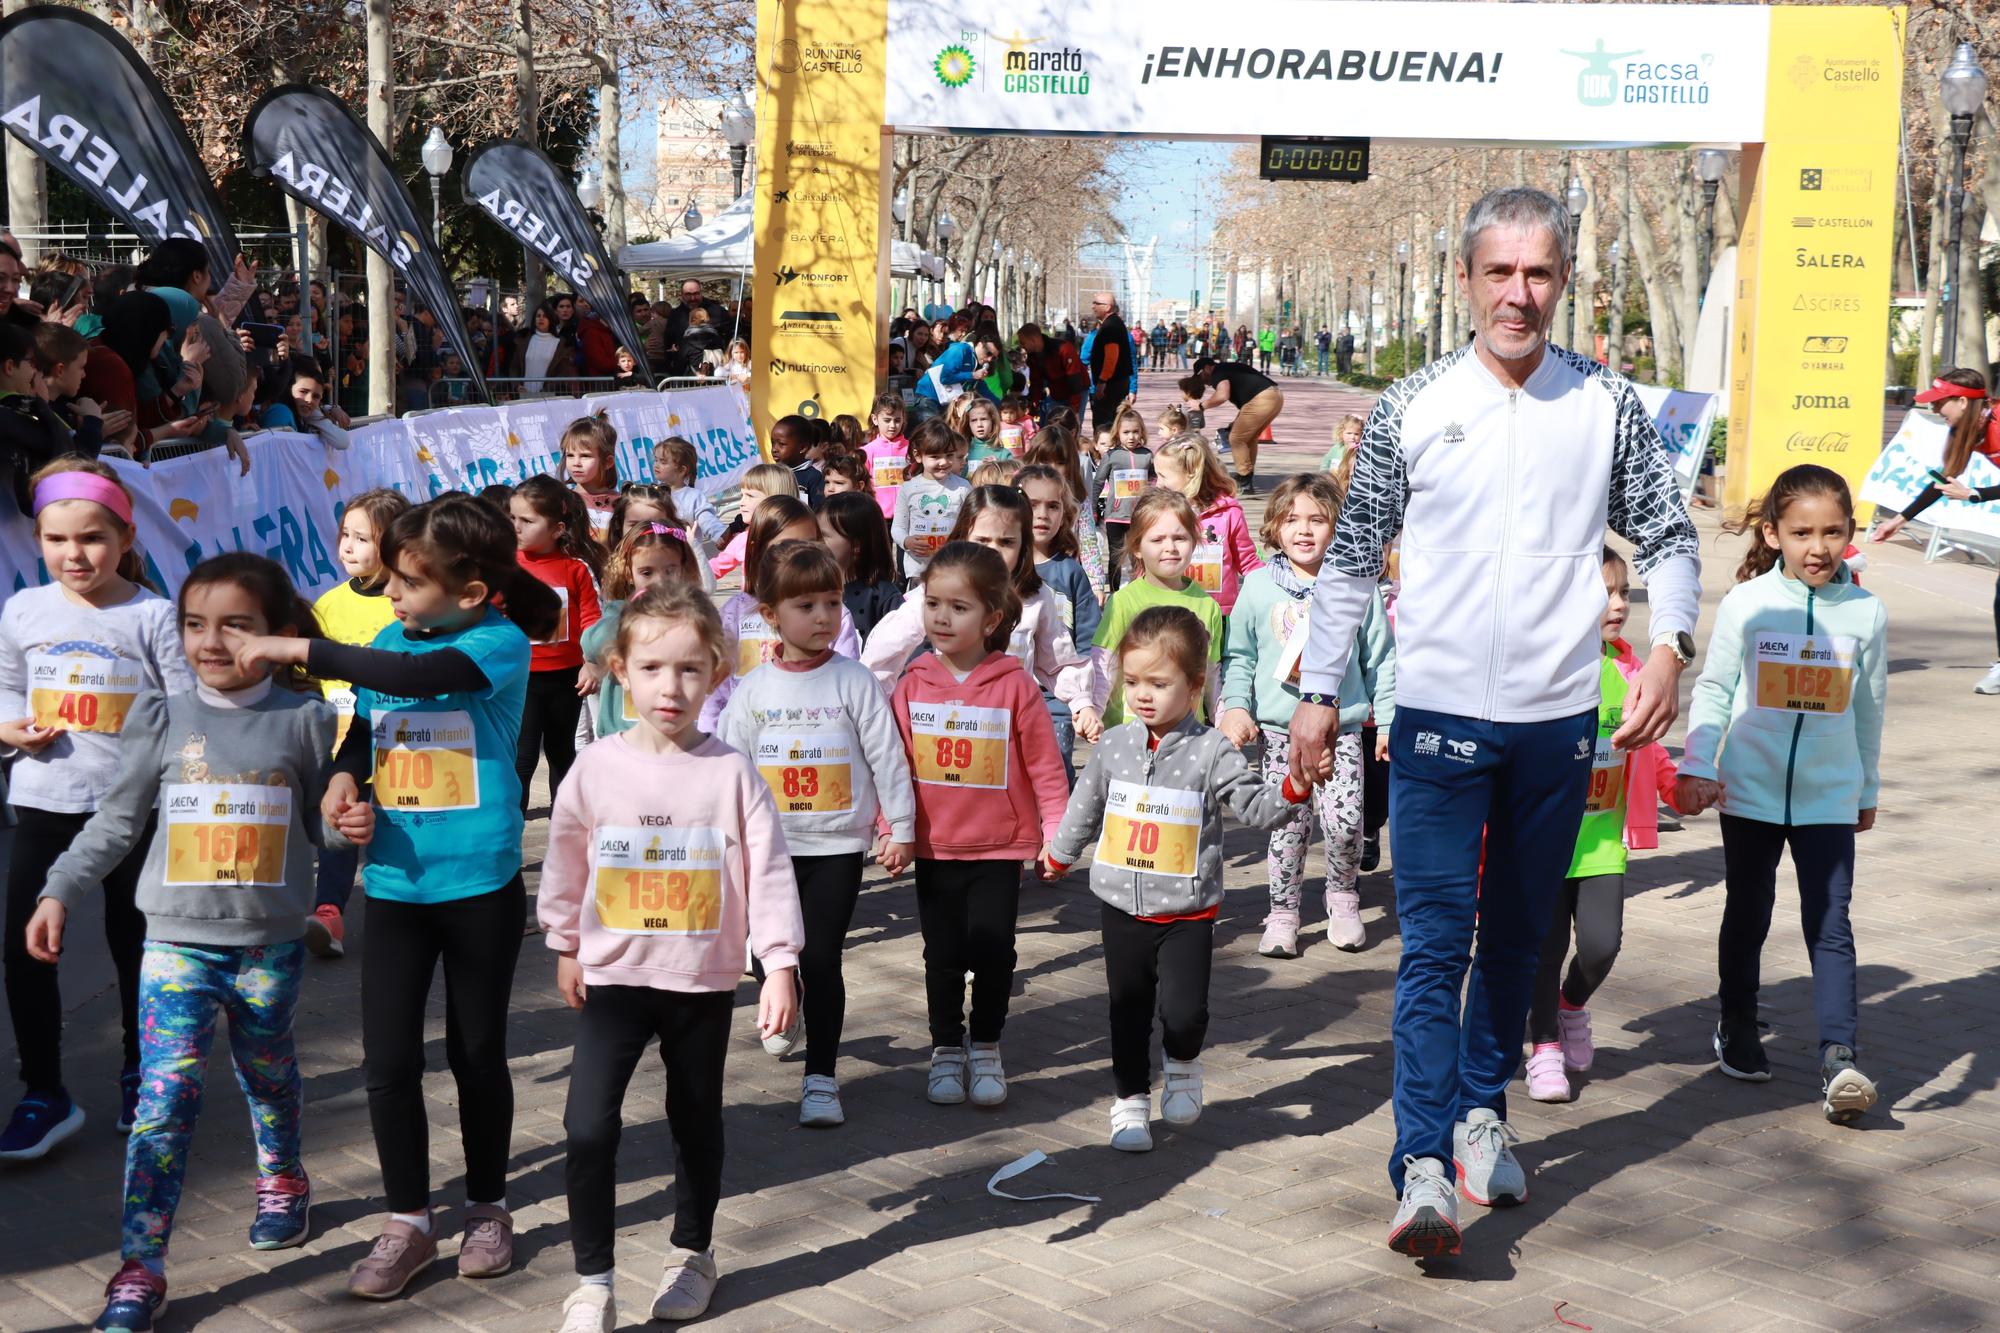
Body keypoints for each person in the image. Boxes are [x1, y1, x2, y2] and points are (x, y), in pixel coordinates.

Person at [1283, 186, 1701, 1259]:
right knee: (1434, 945)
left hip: (1555, 723)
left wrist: (1669, 644)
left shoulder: (1604, 404)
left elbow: (1670, 540)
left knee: (1516, 945)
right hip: (1432, 721)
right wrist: (1318, 693)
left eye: (1538, 273)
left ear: (1563, 281)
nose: (1517, 294)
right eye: (1498, 273)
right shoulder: (1412, 404)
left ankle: (1479, 1117)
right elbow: (1344, 561)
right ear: (1463, 279)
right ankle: (1419, 1162)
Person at [228, 494, 560, 1298]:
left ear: (471, 590)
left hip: (477, 884)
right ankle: (409, 1219)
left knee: (477, 1054)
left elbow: (411, 676)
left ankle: (488, 1205)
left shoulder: (498, 642)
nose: (393, 597)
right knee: (387, 1062)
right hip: (396, 885)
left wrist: (293, 644)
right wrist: (345, 782)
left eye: (409, 583)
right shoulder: (385, 634)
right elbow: (367, 728)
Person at [27, 554, 349, 1332]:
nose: (211, 641)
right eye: (195, 624)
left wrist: (348, 822)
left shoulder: (306, 721)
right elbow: (116, 821)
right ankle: (141, 1266)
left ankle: (282, 1177)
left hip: (269, 944)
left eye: (235, 624)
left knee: (267, 1073)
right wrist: (59, 887)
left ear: (277, 634)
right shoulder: (162, 712)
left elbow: (322, 829)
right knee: (163, 1103)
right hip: (173, 942)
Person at [539, 583, 802, 1329]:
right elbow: (564, 859)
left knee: (694, 1117)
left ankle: (693, 1253)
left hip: (700, 980)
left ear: (718, 671)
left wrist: (778, 960)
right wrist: (564, 941)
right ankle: (593, 1281)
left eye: (690, 669)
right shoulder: (593, 769)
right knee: (587, 1124)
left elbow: (768, 868)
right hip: (614, 976)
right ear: (620, 668)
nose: (671, 686)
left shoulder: (730, 772)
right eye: (652, 667)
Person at [1046, 606, 1311, 1151]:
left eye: (1159, 683)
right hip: (1121, 904)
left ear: (1193, 688)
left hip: (1187, 911)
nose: (1143, 694)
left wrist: (1293, 789)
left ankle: (1184, 1064)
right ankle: (1130, 1102)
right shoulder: (1115, 744)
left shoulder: (1212, 749)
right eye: (1134, 681)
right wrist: (1058, 854)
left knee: (1183, 1012)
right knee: (1127, 1008)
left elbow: (1255, 808)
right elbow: (1085, 805)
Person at [1678, 465, 1886, 1124]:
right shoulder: (1747, 603)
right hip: (1750, 791)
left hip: (1829, 796)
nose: (1817, 546)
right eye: (1801, 532)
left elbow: (1869, 709)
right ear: (1773, 532)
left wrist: (1867, 784)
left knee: (1830, 922)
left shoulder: (1866, 611)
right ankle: (1737, 1024)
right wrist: (1696, 760)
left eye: (1831, 531)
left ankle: (1839, 1054)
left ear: (1850, 533)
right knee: (1750, 910)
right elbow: (1712, 687)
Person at [0, 461, 195, 1161]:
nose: (73, 554)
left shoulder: (151, 615)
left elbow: (185, 708)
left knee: (138, 946)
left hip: (133, 811)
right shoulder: (23, 610)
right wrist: (8, 725)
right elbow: (6, 686)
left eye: (91, 538)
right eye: (56, 539)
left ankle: (143, 1070)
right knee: (25, 948)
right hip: (45, 801)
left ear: (125, 535)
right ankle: (44, 1091)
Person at [719, 542, 915, 1128]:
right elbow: (729, 767)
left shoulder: (853, 682)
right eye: (806, 605)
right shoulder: (753, 690)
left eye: (832, 602)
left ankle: (822, 1078)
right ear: (772, 615)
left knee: (823, 956)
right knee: (768, 948)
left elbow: (887, 756)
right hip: (767, 849)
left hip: (835, 846)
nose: (824, 616)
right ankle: (784, 999)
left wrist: (898, 826)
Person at [891, 542, 1070, 1108]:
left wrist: (1057, 834)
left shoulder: (1014, 683)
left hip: (998, 848)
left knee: (995, 951)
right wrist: (890, 827)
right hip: (935, 847)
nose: (942, 618)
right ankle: (946, 1048)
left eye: (959, 607)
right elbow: (891, 763)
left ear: (992, 618)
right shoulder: (912, 681)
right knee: (941, 954)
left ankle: (986, 1044)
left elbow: (1045, 763)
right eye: (933, 604)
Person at [1524, 547, 1686, 1104]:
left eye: (1624, 593)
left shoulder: (1630, 671)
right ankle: (1542, 1046)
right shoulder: (1541, 667)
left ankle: (1571, 1007)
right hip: (1542, 843)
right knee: (1542, 951)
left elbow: (1651, 749)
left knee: (1601, 946)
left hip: (1601, 844)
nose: (1619, 605)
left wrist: (1676, 788)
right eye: (1606, 594)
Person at [1220, 473, 1394, 960]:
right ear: (1274, 527)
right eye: (1291, 519)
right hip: (1278, 735)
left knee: (1344, 823)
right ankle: (1283, 911)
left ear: (1337, 528)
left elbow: (1380, 658)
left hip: (1343, 733)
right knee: (1287, 824)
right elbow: (1239, 657)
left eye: (1318, 520)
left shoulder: (1358, 588)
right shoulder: (1256, 587)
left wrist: (1388, 719)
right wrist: (1235, 706)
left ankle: (1342, 896)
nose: (1304, 530)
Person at [308, 488, 412, 959]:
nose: (347, 546)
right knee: (338, 831)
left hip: (402, 748)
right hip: (342, 746)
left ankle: (410, 907)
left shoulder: (405, 602)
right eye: (344, 535)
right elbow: (307, 671)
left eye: (362, 538)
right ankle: (328, 913)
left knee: (393, 833)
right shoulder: (327, 604)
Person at [1869, 369, 2000, 695]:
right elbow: (1944, 480)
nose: (1937, 411)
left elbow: (1968, 490)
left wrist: (1976, 494)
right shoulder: (1968, 429)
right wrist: (1899, 520)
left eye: (1941, 403)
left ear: (1962, 401)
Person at [700, 496, 861, 730]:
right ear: (757, 550)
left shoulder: (833, 613)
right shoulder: (734, 613)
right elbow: (716, 692)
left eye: (808, 545)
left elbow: (850, 685)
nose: (798, 558)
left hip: (815, 742)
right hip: (745, 743)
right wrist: (710, 744)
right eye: (785, 546)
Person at [510, 476, 605, 811]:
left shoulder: (575, 569)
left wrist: (592, 662)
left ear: (557, 529)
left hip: (567, 679)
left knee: (562, 752)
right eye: (513, 519)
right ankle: (511, 843)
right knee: (521, 758)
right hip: (521, 679)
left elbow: (593, 619)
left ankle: (566, 831)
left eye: (527, 521)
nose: (517, 527)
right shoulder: (506, 567)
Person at [1092, 490, 1224, 728]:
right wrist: (1093, 710)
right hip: (1132, 732)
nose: (1170, 547)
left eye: (1180, 538)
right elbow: (1104, 665)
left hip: (1188, 734)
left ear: (1194, 542)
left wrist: (1223, 721)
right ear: (1137, 547)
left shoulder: (1208, 606)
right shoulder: (1123, 601)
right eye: (1157, 539)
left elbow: (1212, 674)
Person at [582, 522, 704, 738]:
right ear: (629, 574)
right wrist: (633, 616)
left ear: (682, 569)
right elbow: (592, 644)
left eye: (670, 571)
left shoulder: (692, 614)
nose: (659, 581)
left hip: (673, 730)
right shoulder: (618, 612)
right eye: (647, 573)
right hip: (623, 733)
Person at [1020, 463, 1102, 785]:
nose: (1042, 514)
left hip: (1059, 699)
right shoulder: (997, 569)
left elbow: (1087, 639)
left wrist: (1087, 700)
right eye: (1031, 505)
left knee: (1054, 772)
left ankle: (1056, 833)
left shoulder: (1070, 572)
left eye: (1052, 506)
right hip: (1008, 696)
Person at [1152, 433, 1261, 616]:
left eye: (1163, 476)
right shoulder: (1160, 513)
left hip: (1218, 612)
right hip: (1172, 609)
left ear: (1191, 473)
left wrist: (1273, 586)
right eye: (1156, 476)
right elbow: (1148, 559)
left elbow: (1247, 560)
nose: (1158, 484)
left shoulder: (1229, 513)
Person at [1182, 354, 1281, 496]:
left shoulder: (1218, 372)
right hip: (1273, 396)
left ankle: (1244, 478)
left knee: (1236, 438)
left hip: (1262, 399)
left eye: (1201, 375)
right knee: (1248, 437)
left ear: (1208, 368)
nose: (1204, 381)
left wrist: (1201, 405)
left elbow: (1223, 395)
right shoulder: (1228, 369)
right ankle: (1247, 475)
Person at [892, 419, 972, 583]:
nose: (943, 462)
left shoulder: (963, 488)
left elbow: (971, 526)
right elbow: (898, 528)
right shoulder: (908, 489)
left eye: (949, 455)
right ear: (918, 455)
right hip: (918, 571)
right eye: (935, 456)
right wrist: (907, 541)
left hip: (953, 568)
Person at [820, 491, 903, 641]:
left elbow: (909, 645)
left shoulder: (883, 596)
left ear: (856, 545)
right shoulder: (811, 589)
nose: (814, 541)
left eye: (822, 536)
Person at [1093, 405, 1154, 589]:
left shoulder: (1147, 455)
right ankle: (1114, 592)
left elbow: (1154, 479)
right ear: (1117, 433)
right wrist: (1092, 508)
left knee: (1138, 556)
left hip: (1139, 516)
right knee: (1115, 556)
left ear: (1141, 431)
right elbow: (1098, 482)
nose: (1131, 436)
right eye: (1126, 432)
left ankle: (1138, 590)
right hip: (1115, 516)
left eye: (1135, 432)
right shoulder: (1112, 456)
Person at [649, 436, 726, 559]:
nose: (656, 465)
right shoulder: (652, 494)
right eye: (656, 460)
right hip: (659, 561)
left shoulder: (693, 496)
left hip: (688, 560)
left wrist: (720, 535)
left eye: (663, 462)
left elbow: (707, 519)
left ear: (681, 470)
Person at [562, 415, 621, 535]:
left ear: (608, 462)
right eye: (570, 455)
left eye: (585, 456)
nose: (576, 463)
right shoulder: (561, 501)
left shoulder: (621, 505)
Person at [1086, 292, 1131, 433]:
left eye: (1096, 303)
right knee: (1112, 422)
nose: (1093, 307)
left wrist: (1102, 381)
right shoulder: (1113, 324)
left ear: (1107, 307)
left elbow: (1112, 356)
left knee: (1103, 424)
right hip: (1116, 382)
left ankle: (1105, 452)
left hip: (1111, 385)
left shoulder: (1111, 326)